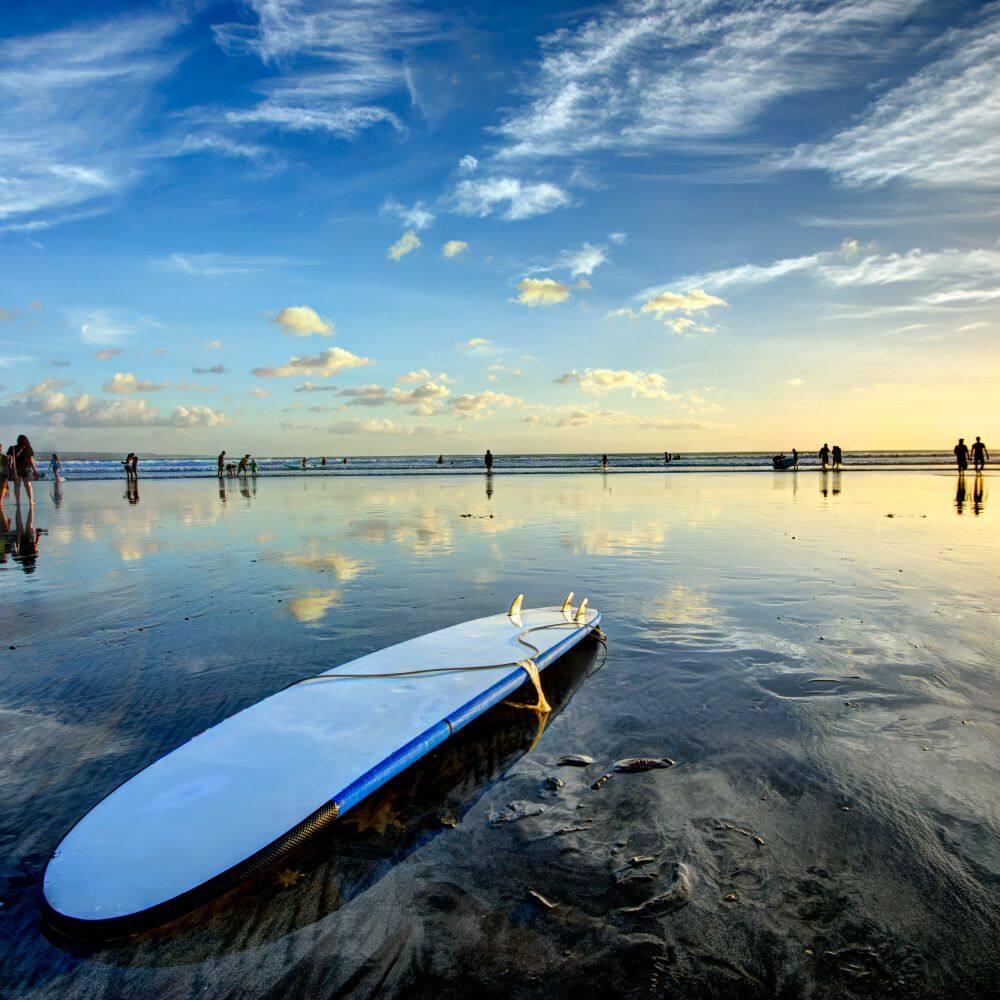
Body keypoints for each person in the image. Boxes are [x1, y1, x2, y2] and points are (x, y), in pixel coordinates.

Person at [13, 435, 38, 507]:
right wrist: (35, 470)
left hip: (16, 469)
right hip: (27, 468)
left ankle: (17, 502)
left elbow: (9, 458)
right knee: (28, 485)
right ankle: (31, 501)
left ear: (18, 440)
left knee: (17, 486)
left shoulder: (13, 448)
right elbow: (31, 460)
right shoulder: (29, 448)